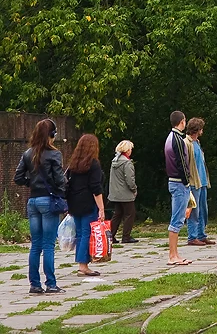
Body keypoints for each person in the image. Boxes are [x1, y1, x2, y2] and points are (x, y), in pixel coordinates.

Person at [13, 119, 67, 294]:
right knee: (49, 245)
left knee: (35, 245)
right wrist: (62, 190)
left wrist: (32, 183)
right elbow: (60, 179)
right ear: (51, 135)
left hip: (33, 202)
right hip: (49, 201)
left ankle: (34, 284)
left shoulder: (28, 153)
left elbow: (18, 178)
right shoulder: (54, 154)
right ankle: (51, 283)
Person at [66, 133, 105, 277]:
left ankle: (81, 263)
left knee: (80, 234)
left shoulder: (73, 164)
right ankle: (83, 265)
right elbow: (96, 187)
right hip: (88, 203)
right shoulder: (93, 164)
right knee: (87, 234)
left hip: (74, 203)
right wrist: (101, 208)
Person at [164, 110, 192, 266]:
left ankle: (175, 254)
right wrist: (187, 182)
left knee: (178, 219)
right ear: (181, 122)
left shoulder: (169, 138)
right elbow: (182, 162)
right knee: (177, 220)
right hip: (179, 182)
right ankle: (172, 255)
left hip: (173, 181)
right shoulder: (178, 139)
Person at [184, 118, 215, 247]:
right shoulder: (187, 143)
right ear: (197, 130)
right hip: (193, 182)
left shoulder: (197, 142)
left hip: (202, 181)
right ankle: (192, 236)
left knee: (203, 210)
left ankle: (201, 235)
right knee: (194, 211)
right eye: (201, 128)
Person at [109, 140, 138, 244]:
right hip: (126, 194)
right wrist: (134, 189)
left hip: (115, 194)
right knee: (130, 214)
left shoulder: (114, 162)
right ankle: (126, 236)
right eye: (130, 149)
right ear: (127, 150)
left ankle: (110, 235)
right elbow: (130, 179)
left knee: (117, 214)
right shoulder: (127, 163)